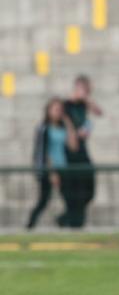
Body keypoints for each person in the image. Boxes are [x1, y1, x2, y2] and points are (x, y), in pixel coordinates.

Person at [26, 97, 79, 229]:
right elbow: (44, 152)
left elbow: (73, 146)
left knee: (70, 200)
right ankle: (29, 226)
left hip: (63, 168)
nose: (58, 112)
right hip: (49, 170)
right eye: (55, 109)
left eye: (60, 110)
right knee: (43, 201)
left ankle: (66, 223)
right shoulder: (43, 128)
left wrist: (68, 123)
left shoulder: (62, 128)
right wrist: (52, 172)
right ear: (48, 111)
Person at [61, 75, 101, 228]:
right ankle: (73, 220)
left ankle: (69, 218)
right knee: (74, 190)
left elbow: (99, 112)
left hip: (82, 150)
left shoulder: (84, 105)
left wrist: (87, 100)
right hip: (70, 152)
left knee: (89, 190)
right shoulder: (66, 105)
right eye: (86, 90)